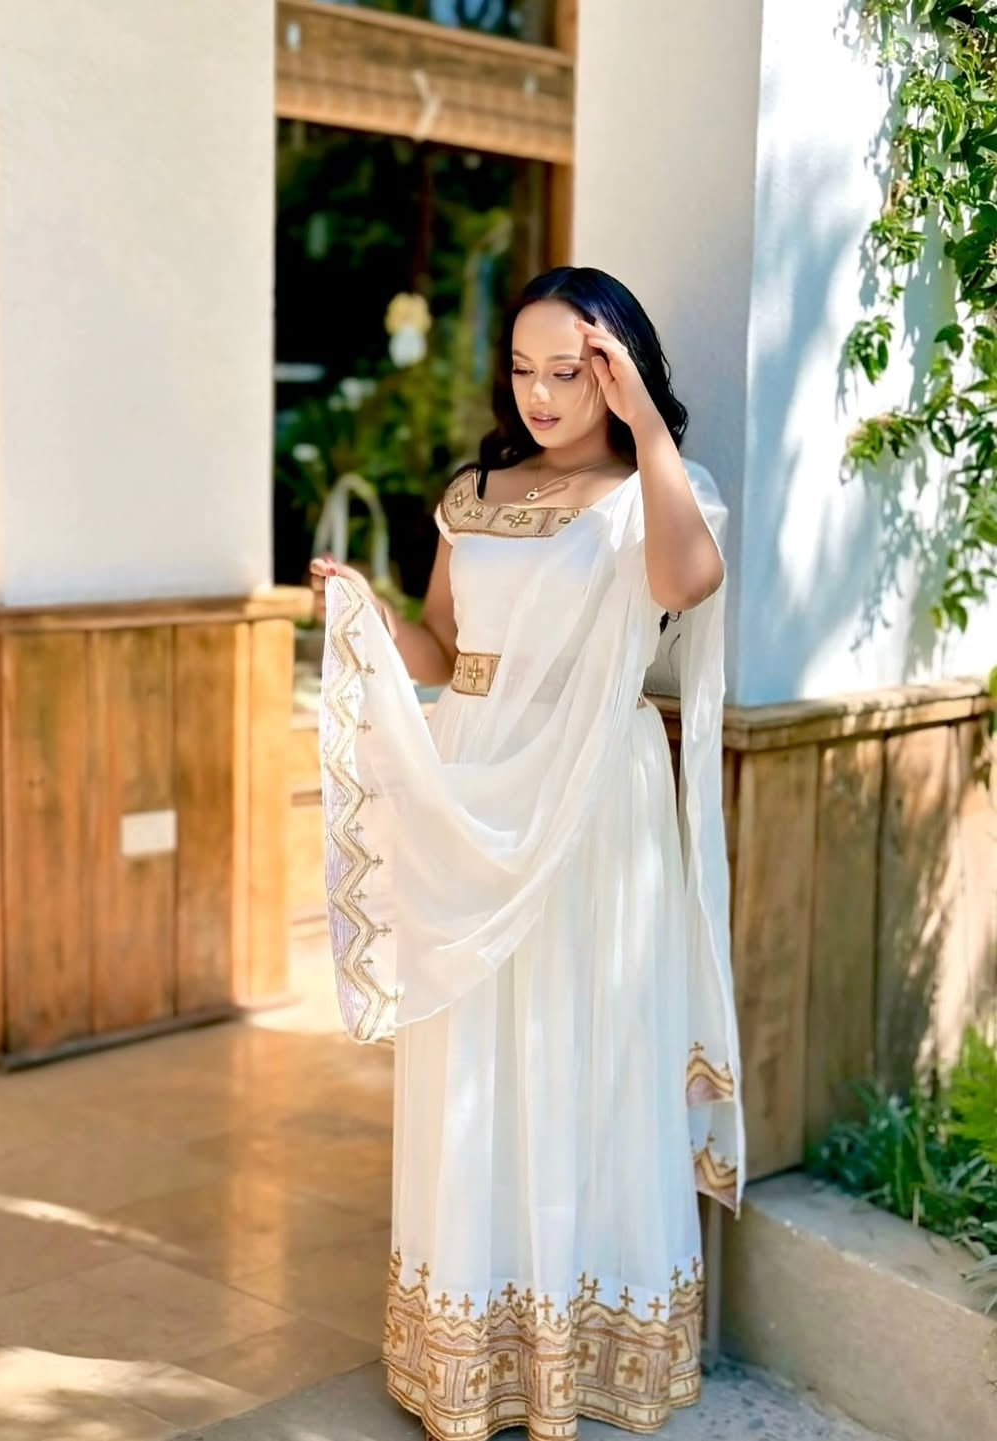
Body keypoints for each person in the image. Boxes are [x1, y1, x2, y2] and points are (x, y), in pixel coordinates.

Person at [309, 266, 744, 1440]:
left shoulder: (657, 489)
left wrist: (643, 417)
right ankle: (474, 1346)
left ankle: (587, 1343)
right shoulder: (478, 489)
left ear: (618, 368)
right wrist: (363, 609)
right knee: (474, 1056)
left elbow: (684, 582)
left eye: (574, 368)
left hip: (591, 804)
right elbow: (447, 654)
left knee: (582, 1050)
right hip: (474, 787)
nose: (543, 393)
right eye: (524, 367)